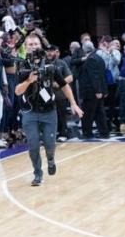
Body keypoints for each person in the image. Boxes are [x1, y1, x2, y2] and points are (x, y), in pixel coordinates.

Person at [14, 34, 83, 186]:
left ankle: (50, 159)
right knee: (32, 144)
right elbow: (17, 91)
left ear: (41, 46)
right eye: (30, 44)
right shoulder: (22, 66)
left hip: (48, 112)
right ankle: (37, 173)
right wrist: (28, 81)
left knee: (49, 144)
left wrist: (73, 103)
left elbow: (64, 85)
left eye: (35, 44)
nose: (33, 46)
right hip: (29, 112)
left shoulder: (51, 67)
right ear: (25, 47)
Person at [78, 40, 110, 138]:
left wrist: (98, 91)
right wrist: (103, 90)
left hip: (91, 91)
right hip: (98, 91)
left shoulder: (91, 59)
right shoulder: (99, 58)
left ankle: (87, 133)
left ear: (84, 50)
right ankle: (104, 132)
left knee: (87, 113)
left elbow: (94, 76)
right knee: (99, 113)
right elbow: (103, 76)